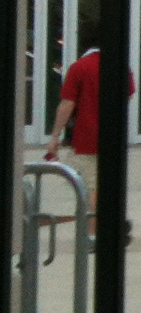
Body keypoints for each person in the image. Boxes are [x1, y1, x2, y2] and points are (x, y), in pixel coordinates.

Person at [45, 24, 133, 236]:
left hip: (86, 137)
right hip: (114, 136)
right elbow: (129, 94)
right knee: (109, 184)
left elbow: (67, 104)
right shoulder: (121, 66)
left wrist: (55, 136)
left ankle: (93, 234)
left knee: (89, 186)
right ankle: (112, 225)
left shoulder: (80, 67)